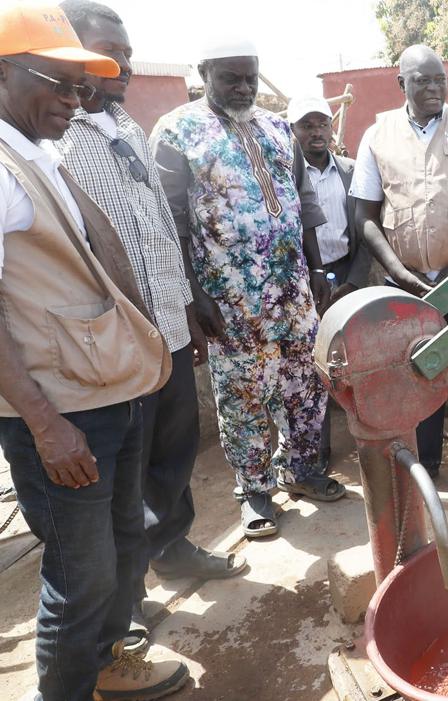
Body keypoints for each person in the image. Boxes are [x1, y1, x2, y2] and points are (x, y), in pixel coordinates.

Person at [0, 5, 188, 699]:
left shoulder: (37, 148)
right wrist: (47, 426)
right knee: (79, 580)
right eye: (60, 82)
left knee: (121, 551)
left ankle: (109, 663)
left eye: (83, 88)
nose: (75, 101)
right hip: (63, 412)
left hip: (110, 392)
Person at [55, 0, 247, 644]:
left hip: (167, 327)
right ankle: (127, 599)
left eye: (130, 55)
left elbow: (160, 227)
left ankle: (175, 547)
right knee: (124, 480)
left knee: (172, 454)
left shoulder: (123, 125)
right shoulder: (56, 140)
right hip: (114, 345)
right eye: (112, 55)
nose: (126, 68)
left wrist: (187, 305)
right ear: (71, 55)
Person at [150, 38, 346, 540]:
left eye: (250, 78)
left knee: (306, 382)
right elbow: (170, 222)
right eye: (230, 78)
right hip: (230, 298)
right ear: (205, 71)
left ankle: (301, 471)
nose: (242, 88)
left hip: (293, 290)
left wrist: (317, 271)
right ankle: (255, 490)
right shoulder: (176, 131)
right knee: (244, 394)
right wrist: (194, 296)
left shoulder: (279, 127)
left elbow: (303, 205)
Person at [352, 44, 448, 496]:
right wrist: (397, 271)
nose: (434, 88)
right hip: (405, 284)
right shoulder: (377, 135)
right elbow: (364, 213)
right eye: (422, 80)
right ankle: (428, 467)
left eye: (440, 79)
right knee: (417, 373)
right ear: (401, 83)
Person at [288, 94, 369, 468]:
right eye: (307, 125)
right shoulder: (282, 174)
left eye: (323, 123)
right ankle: (316, 451)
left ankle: (369, 437)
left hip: (346, 277)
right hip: (303, 281)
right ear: (292, 131)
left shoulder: (352, 172)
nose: (317, 132)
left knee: (356, 360)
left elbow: (369, 230)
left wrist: (352, 283)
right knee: (309, 367)